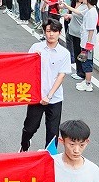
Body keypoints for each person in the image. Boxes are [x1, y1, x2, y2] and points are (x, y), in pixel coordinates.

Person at [21, 19, 71, 151]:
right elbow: (26, 67)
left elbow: (61, 76)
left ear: (59, 33)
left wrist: (49, 96)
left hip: (54, 98)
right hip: (36, 96)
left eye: (54, 31)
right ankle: (24, 146)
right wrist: (33, 58)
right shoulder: (36, 48)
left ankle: (50, 156)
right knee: (30, 127)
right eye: (48, 31)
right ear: (44, 32)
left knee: (53, 131)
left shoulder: (64, 53)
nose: (51, 34)